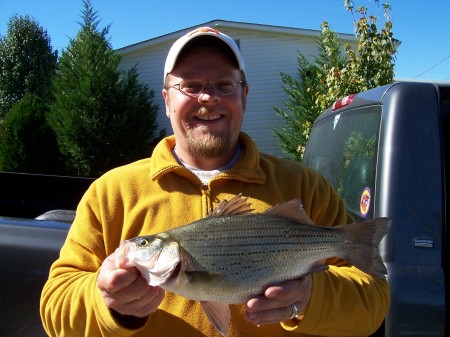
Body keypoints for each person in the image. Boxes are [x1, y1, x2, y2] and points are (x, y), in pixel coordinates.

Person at [40, 27, 389, 337]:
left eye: (224, 84)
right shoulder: (111, 192)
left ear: (244, 96)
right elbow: (55, 312)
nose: (208, 97)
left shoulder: (306, 187)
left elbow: (373, 306)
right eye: (190, 85)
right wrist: (108, 304)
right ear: (166, 100)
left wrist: (311, 298)